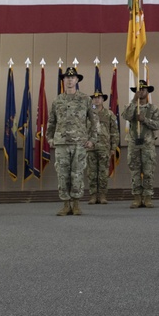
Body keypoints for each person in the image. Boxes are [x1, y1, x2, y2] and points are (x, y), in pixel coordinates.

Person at [48, 66, 98, 216]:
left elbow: (94, 121)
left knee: (77, 173)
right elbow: (51, 122)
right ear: (63, 80)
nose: (69, 80)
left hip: (79, 143)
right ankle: (65, 204)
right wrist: (50, 138)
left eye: (72, 78)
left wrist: (93, 140)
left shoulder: (85, 99)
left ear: (77, 80)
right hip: (62, 143)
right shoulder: (57, 100)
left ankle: (76, 204)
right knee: (62, 174)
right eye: (67, 78)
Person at [121, 80, 159, 209]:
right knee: (135, 171)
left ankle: (148, 197)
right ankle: (137, 197)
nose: (141, 91)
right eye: (139, 89)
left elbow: (158, 124)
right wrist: (134, 100)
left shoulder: (153, 109)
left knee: (148, 171)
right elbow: (126, 116)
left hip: (147, 144)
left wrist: (145, 120)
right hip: (134, 143)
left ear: (148, 91)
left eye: (144, 89)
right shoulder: (132, 106)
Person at [87, 89, 120, 205]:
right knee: (91, 172)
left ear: (103, 100)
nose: (96, 100)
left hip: (104, 147)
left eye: (99, 98)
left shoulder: (109, 114)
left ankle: (102, 195)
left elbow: (114, 132)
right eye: (94, 98)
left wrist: (113, 148)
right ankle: (92, 195)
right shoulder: (88, 113)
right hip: (90, 147)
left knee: (103, 172)